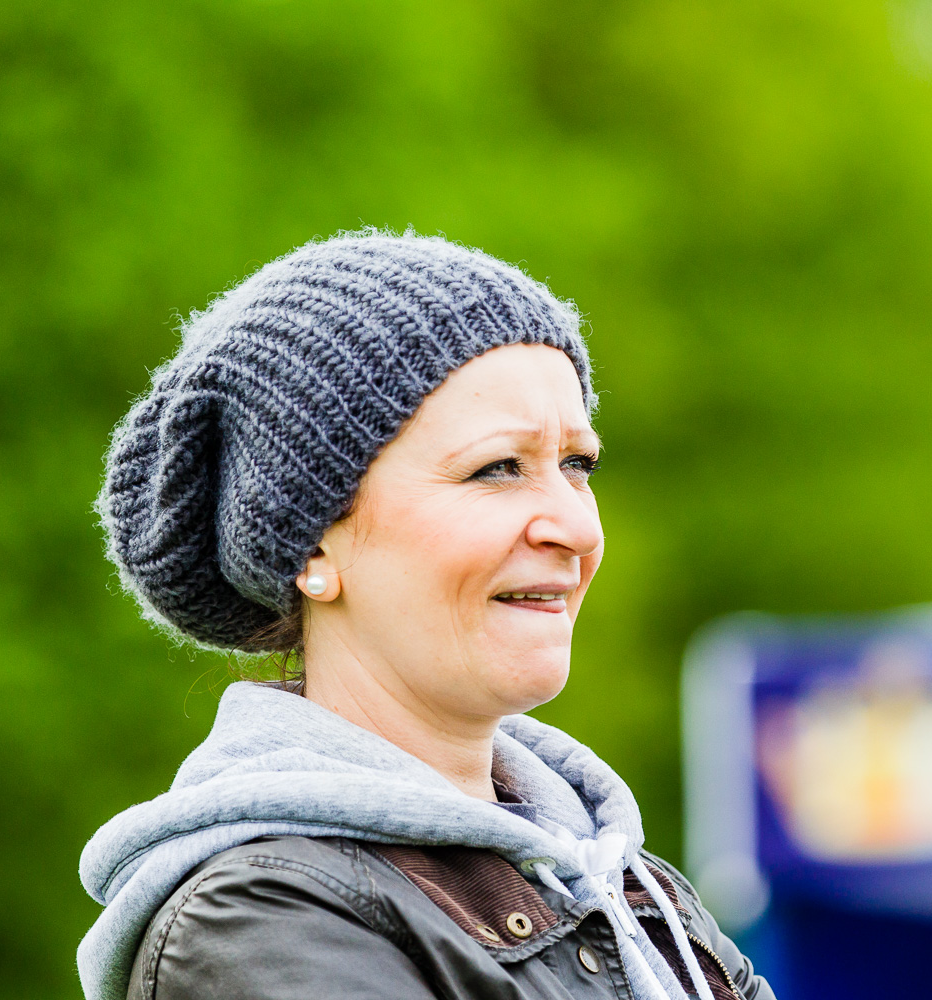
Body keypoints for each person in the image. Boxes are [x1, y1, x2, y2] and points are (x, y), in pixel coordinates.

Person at [78, 231, 774, 1000]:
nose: (576, 529)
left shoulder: (631, 890)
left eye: (578, 465)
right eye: (496, 468)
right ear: (309, 543)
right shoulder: (262, 919)